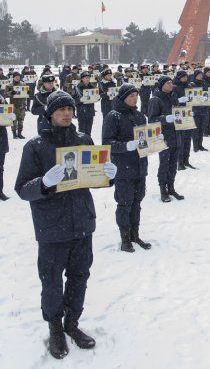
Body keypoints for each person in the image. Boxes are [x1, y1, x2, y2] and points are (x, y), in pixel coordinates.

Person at [15, 90, 117, 359]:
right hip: (51, 226)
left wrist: (108, 176)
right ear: (50, 114)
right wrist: (44, 183)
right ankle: (55, 328)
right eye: (61, 110)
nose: (67, 113)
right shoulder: (35, 146)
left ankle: (72, 322)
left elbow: (93, 177)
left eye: (70, 109)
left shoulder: (83, 139)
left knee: (79, 276)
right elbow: (23, 189)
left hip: (82, 222)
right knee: (51, 281)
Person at [102, 83, 152, 252]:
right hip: (123, 168)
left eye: (136, 96)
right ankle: (125, 238)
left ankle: (134, 234)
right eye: (131, 96)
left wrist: (153, 143)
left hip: (140, 166)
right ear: (123, 97)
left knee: (137, 202)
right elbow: (107, 143)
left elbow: (145, 138)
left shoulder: (139, 115)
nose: (135, 98)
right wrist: (126, 146)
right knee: (124, 204)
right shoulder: (113, 116)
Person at [148, 75, 184, 202]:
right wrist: (165, 119)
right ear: (161, 85)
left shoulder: (173, 97)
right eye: (168, 83)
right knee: (164, 164)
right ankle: (163, 190)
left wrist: (186, 116)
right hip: (163, 136)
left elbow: (178, 113)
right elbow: (151, 119)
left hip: (175, 135)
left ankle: (171, 188)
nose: (171, 85)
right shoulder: (155, 99)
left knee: (173, 164)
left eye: (171, 83)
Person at [73, 71, 97, 137]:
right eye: (86, 78)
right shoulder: (77, 88)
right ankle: (81, 144)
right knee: (81, 131)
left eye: (88, 78)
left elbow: (95, 97)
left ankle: (88, 143)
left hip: (90, 111)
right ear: (82, 79)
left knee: (89, 130)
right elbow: (74, 100)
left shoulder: (92, 87)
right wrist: (80, 100)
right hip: (81, 111)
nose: (87, 79)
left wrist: (97, 98)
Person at [0, 92, 14, 200]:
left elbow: (7, 114)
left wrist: (11, 117)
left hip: (1, 138)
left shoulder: (1, 99)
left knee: (0, 168)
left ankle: (0, 191)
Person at [5, 71, 27, 139]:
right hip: (13, 105)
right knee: (13, 120)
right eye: (16, 77)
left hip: (22, 104)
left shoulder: (23, 84)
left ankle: (20, 133)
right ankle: (14, 133)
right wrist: (11, 93)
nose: (17, 78)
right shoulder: (9, 85)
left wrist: (28, 92)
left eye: (18, 77)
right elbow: (5, 94)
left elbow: (26, 94)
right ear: (13, 77)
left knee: (21, 120)